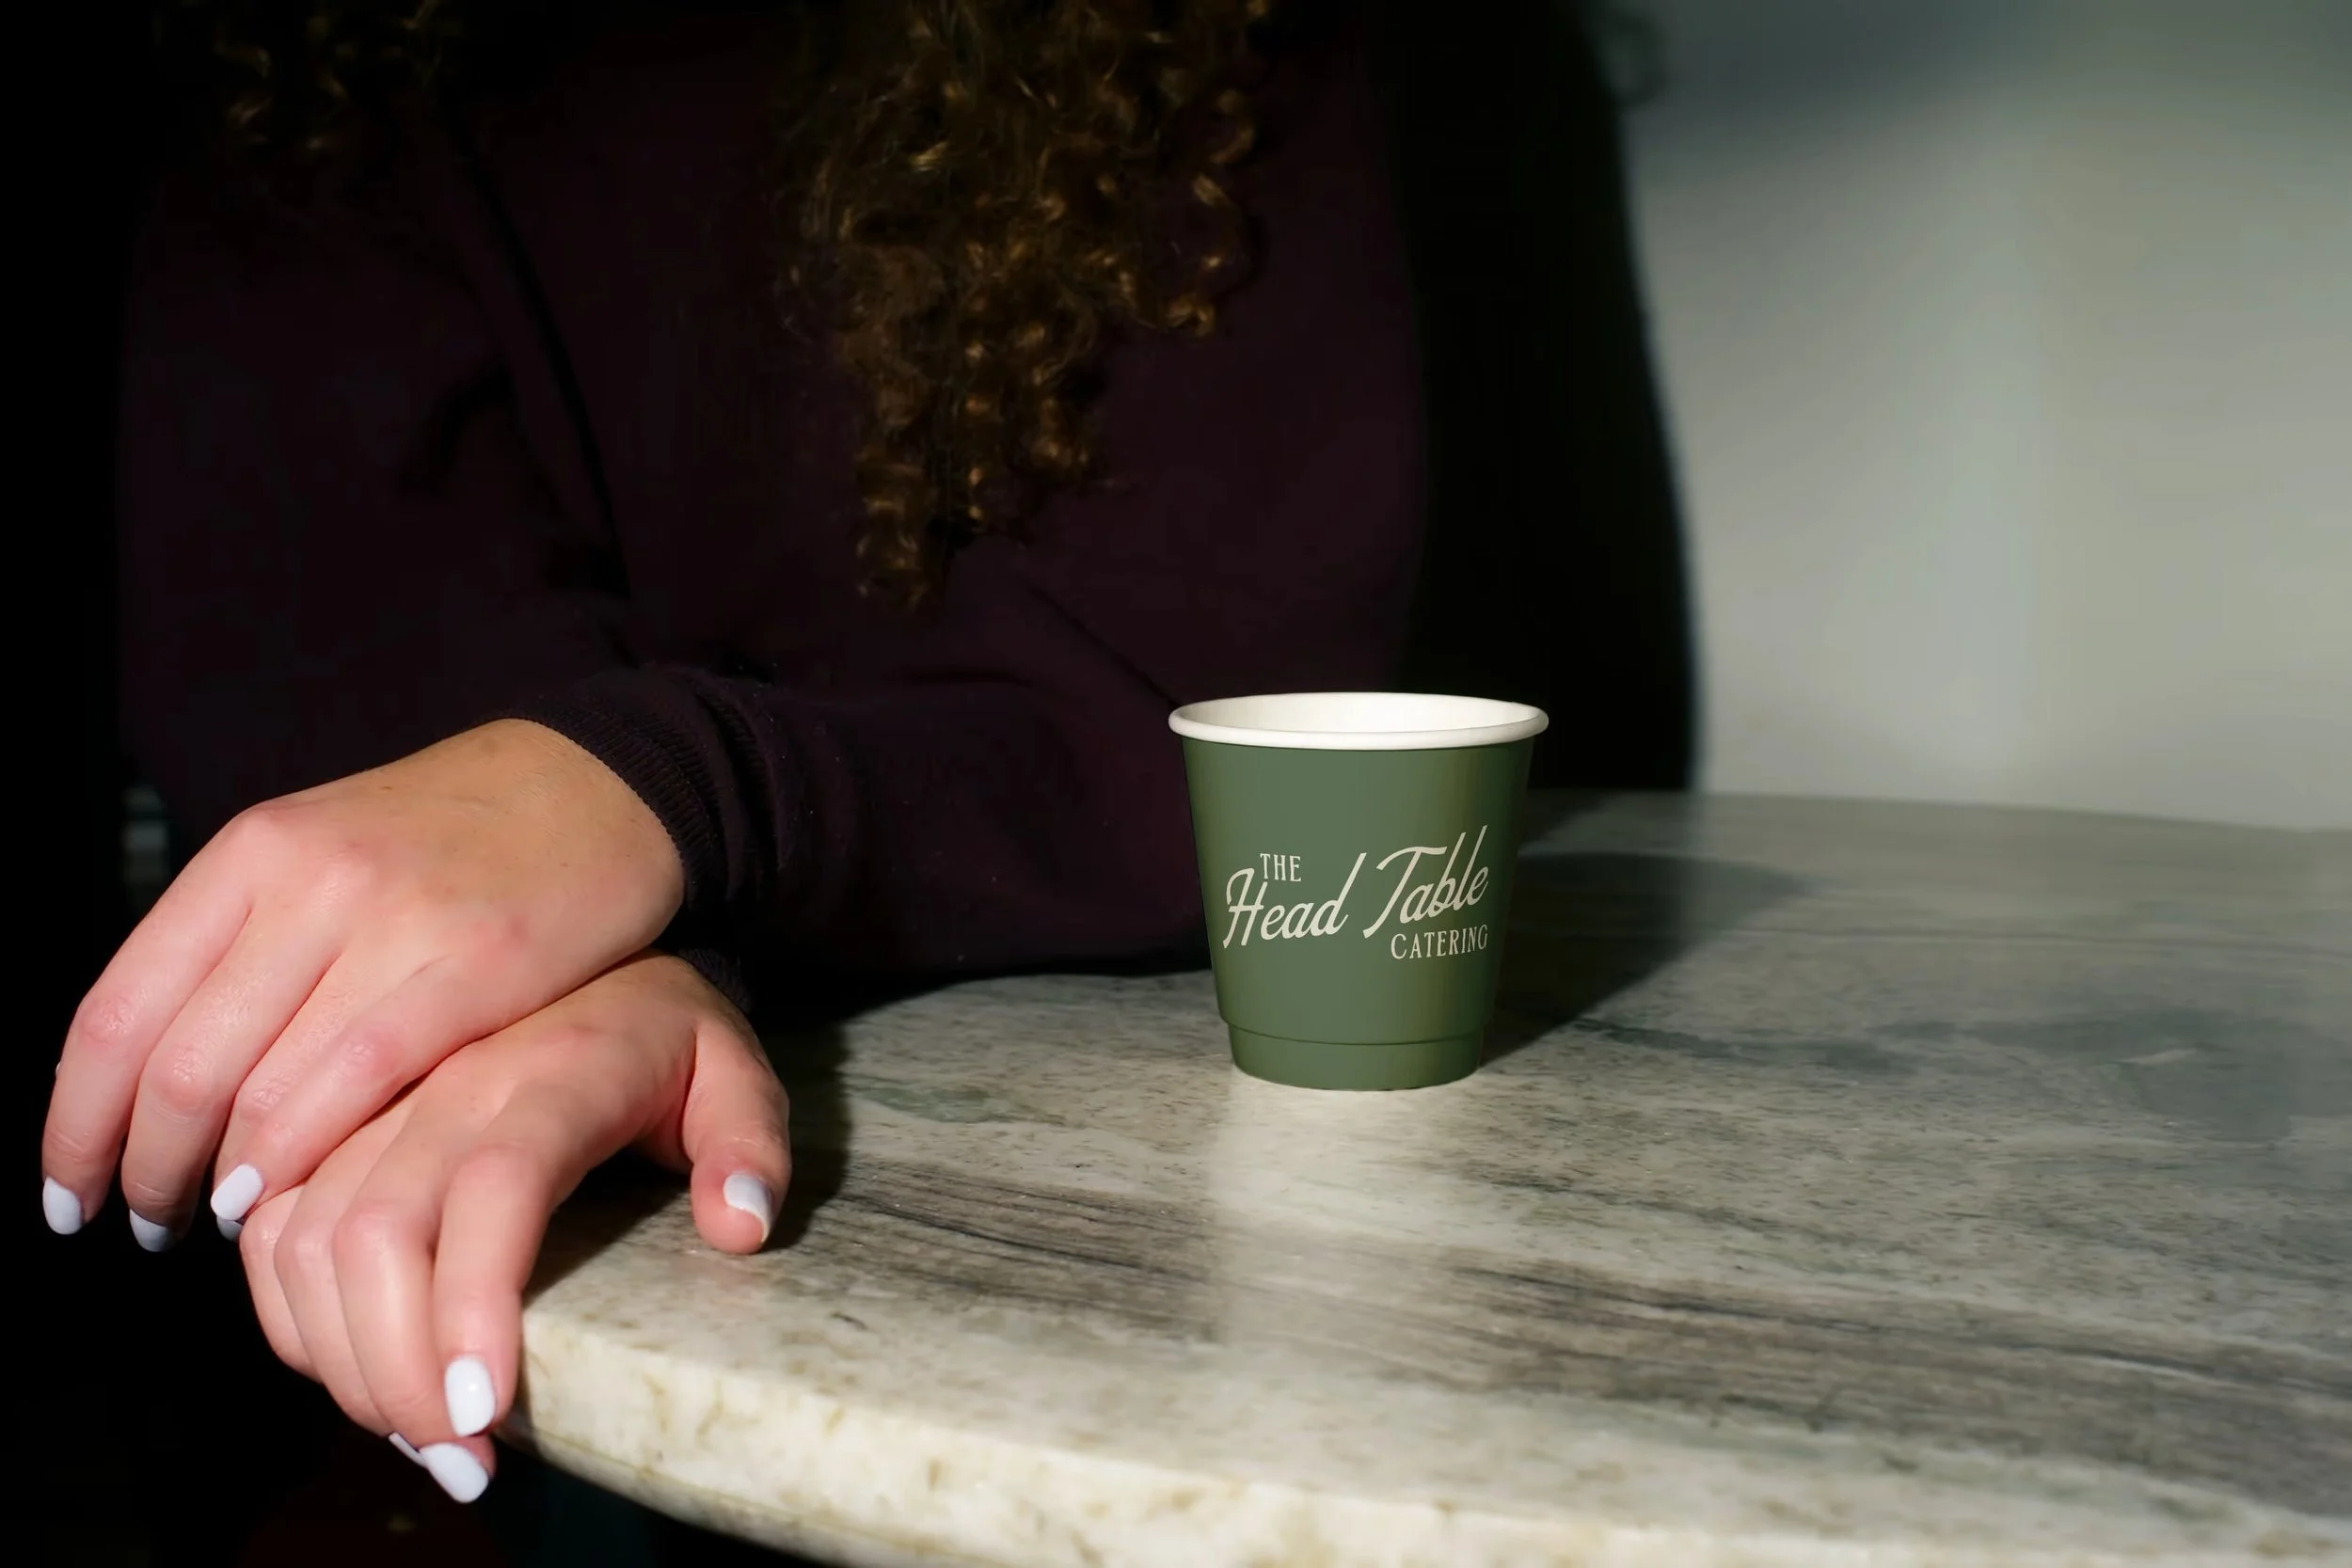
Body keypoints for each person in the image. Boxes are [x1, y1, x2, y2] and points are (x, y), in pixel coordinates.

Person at [40, 0, 1420, 1504]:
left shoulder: (1187, 43)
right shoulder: (294, 65)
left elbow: (1241, 727)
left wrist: (667, 799)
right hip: (605, 1099)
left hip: (1127, 1133)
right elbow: (303, 607)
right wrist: (591, 943)